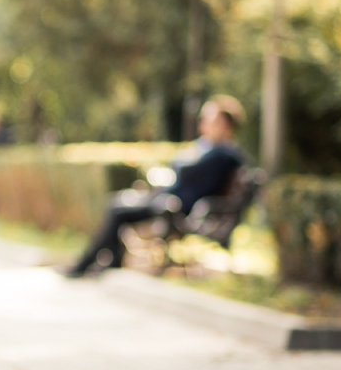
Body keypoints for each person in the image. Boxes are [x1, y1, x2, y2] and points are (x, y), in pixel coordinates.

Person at [64, 95, 247, 277]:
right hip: (168, 200)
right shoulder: (211, 150)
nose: (203, 125)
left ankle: (85, 265)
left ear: (225, 124)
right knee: (118, 202)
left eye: (208, 120)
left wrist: (192, 154)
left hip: (177, 207)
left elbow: (183, 167)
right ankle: (109, 260)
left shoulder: (223, 154)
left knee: (118, 209)